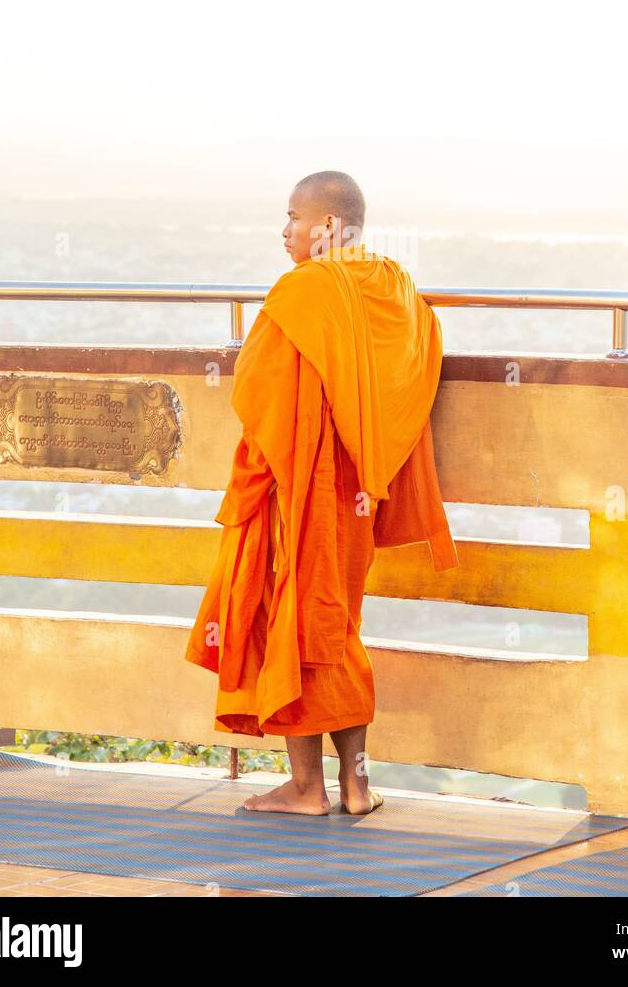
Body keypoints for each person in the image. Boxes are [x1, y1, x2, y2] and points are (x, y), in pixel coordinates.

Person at [185, 170, 458, 816]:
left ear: (329, 227)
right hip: (359, 495)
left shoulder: (304, 290)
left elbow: (259, 395)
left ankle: (307, 790)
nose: (285, 232)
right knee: (338, 629)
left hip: (301, 489)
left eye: (293, 218)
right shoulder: (396, 289)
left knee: (298, 629)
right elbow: (411, 378)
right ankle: (357, 787)